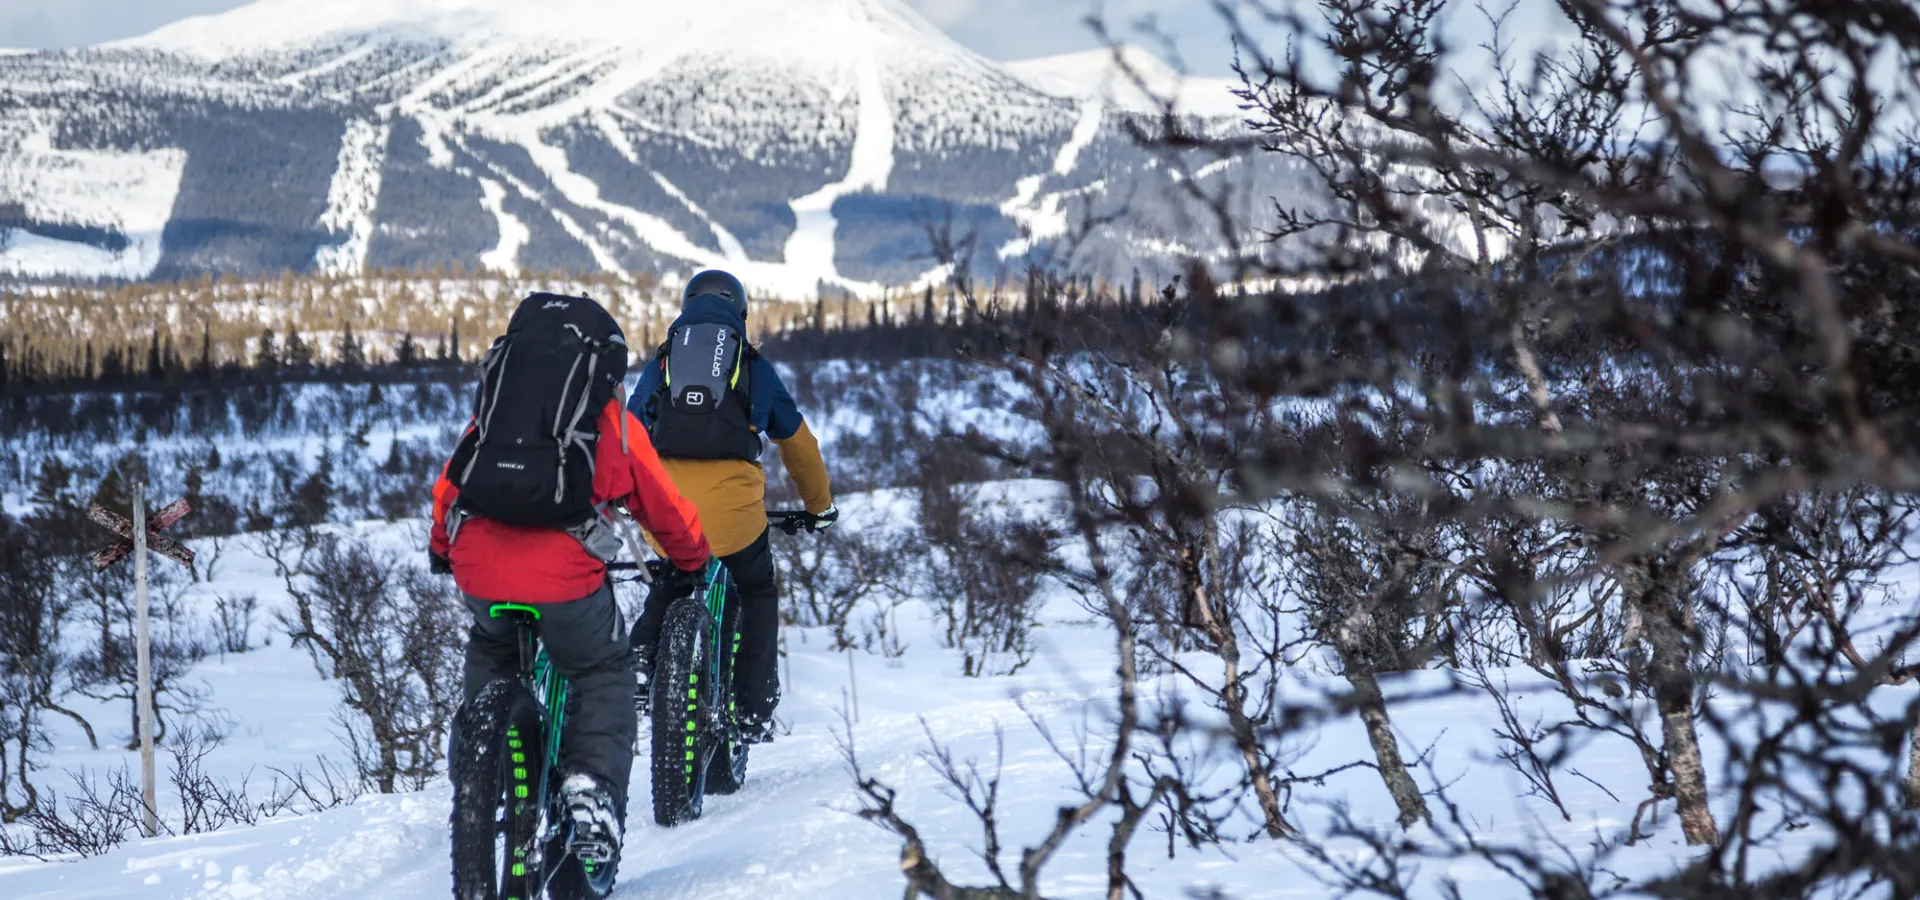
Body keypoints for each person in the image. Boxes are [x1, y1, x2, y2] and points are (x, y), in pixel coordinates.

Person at [430, 295, 712, 866]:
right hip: (564, 585)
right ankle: (592, 791)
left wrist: (444, 551)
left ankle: (479, 785)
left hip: (479, 571)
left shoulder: (492, 414)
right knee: (603, 668)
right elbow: (665, 507)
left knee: (490, 650)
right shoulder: (609, 422)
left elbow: (449, 490)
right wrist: (691, 560)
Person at [628, 269, 837, 744]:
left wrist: (627, 499)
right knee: (757, 590)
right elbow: (799, 445)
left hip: (667, 515)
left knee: (671, 579)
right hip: (736, 521)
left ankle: (640, 660)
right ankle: (752, 709)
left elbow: (629, 433)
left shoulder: (662, 364)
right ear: (740, 313)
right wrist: (818, 507)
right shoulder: (752, 364)